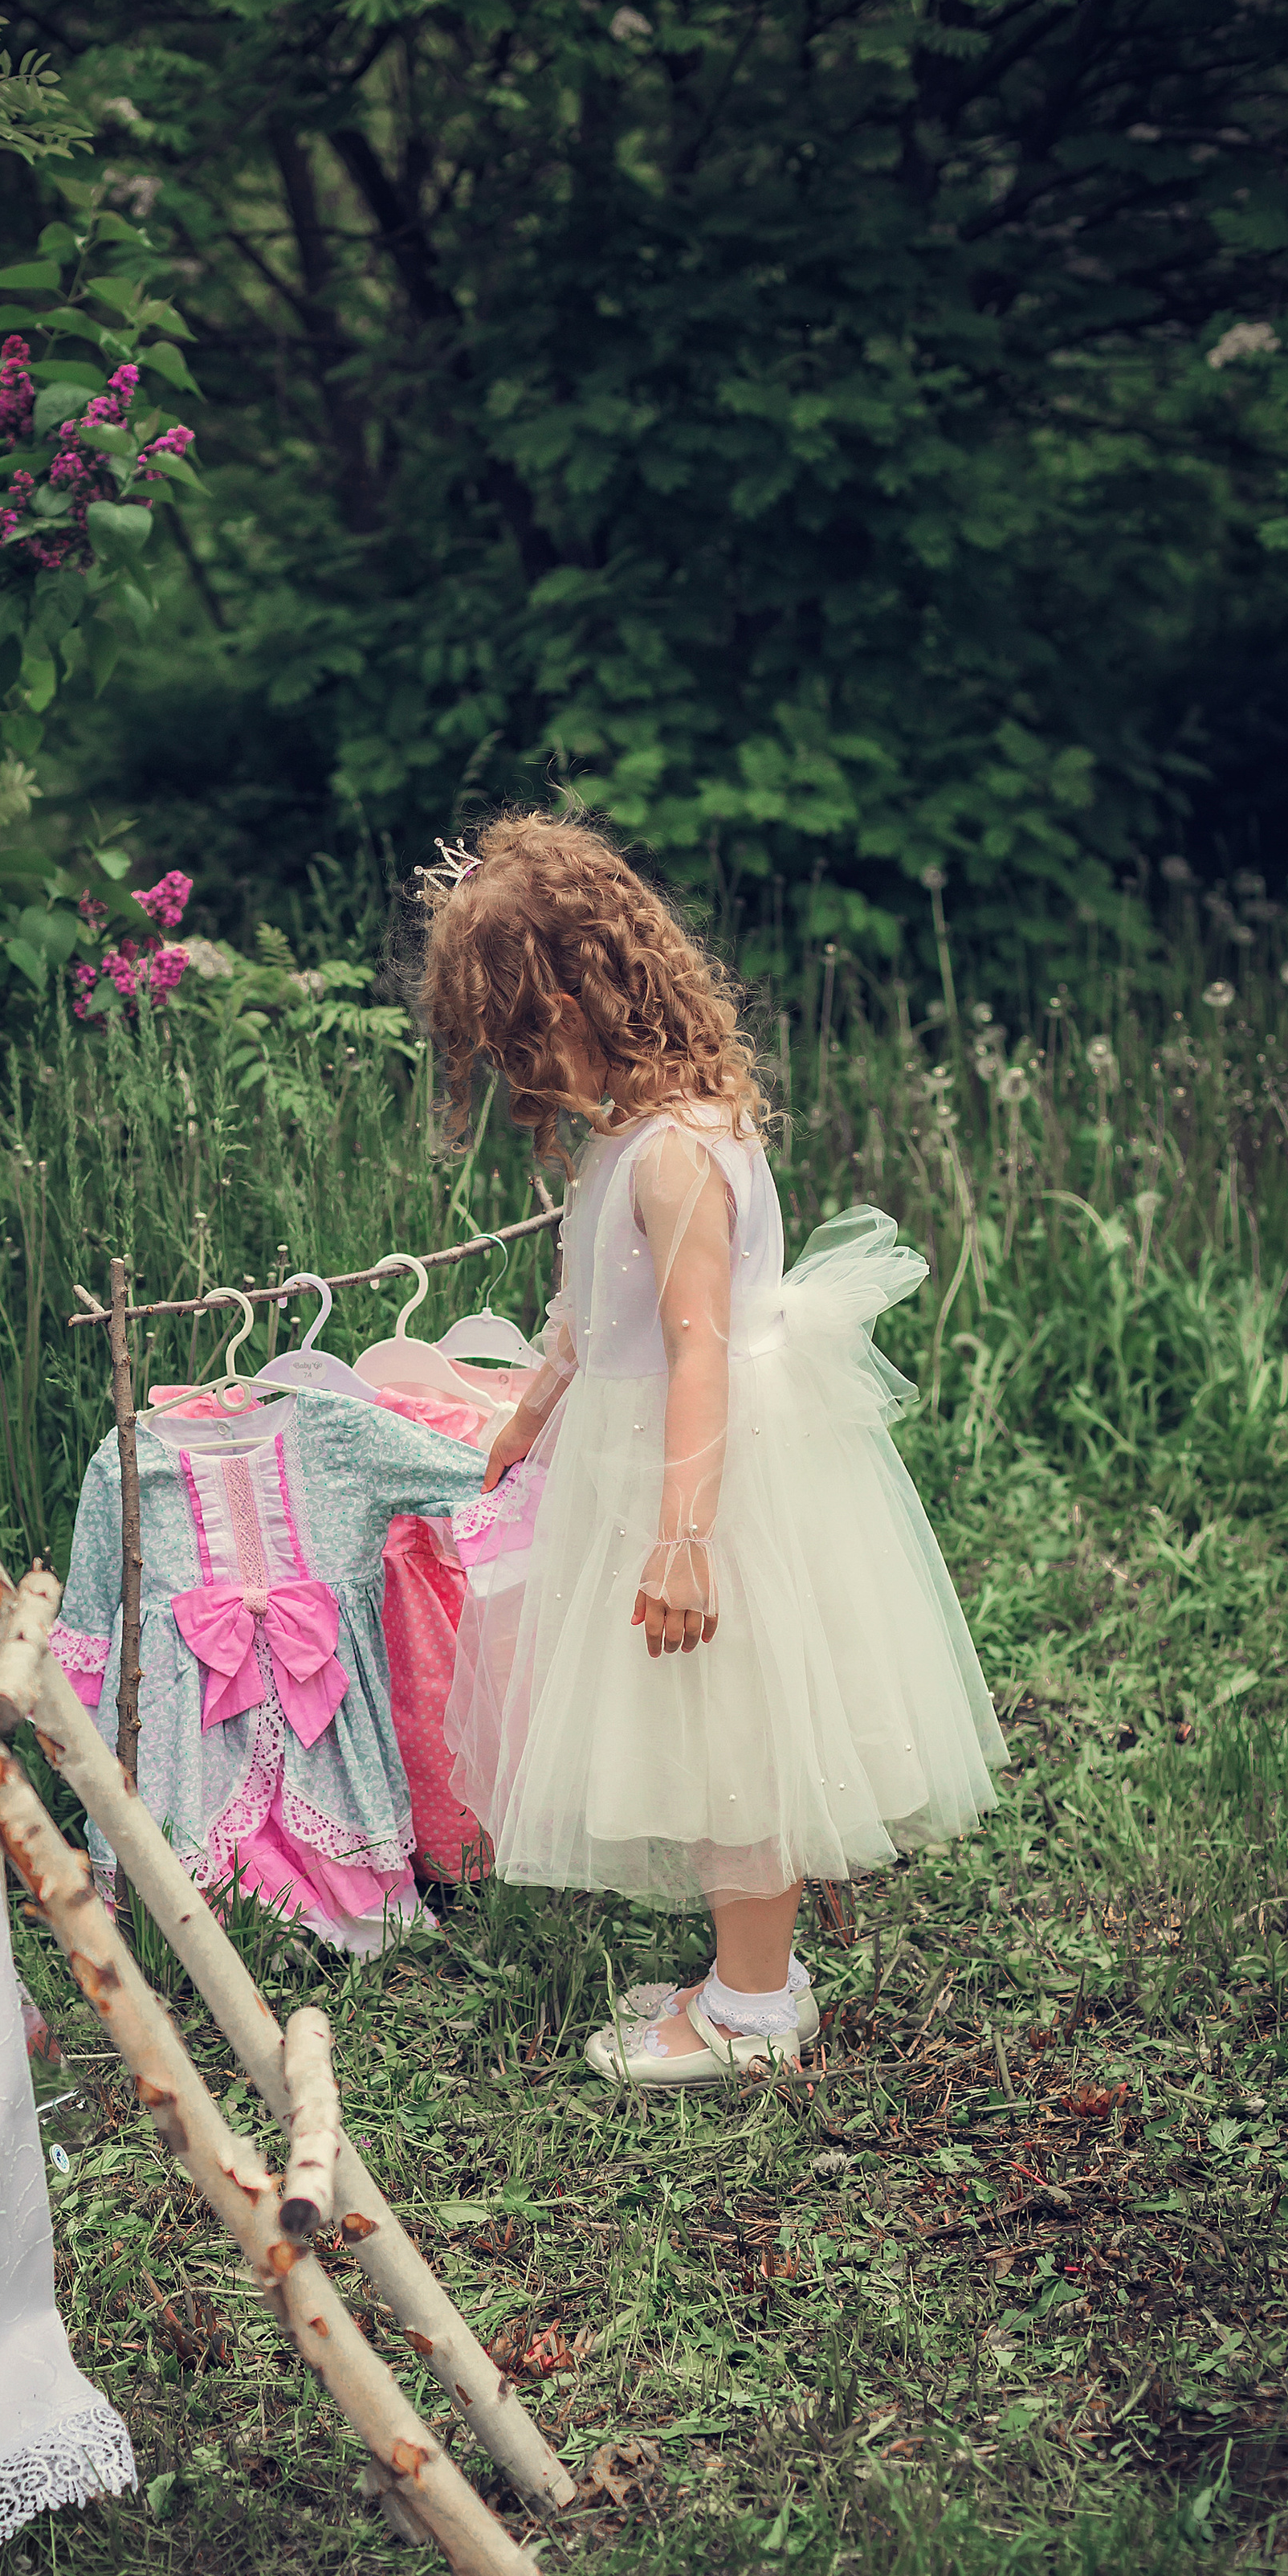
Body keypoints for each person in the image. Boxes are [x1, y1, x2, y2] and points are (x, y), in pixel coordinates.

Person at [422, 811, 1005, 2083]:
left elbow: (696, 1349)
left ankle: (754, 2016)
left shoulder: (678, 1154)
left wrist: (684, 1543)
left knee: (731, 1738)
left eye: (524, 1040)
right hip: (651, 1461)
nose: (521, 1076)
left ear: (582, 996)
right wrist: (527, 1412)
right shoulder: (636, 1134)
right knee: (694, 1732)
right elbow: (594, 1308)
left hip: (698, 1482)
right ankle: (753, 1969)